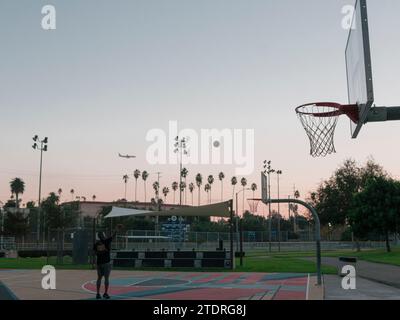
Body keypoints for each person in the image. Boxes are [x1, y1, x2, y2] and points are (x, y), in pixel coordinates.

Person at [93, 224, 123, 300]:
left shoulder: (96, 244)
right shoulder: (106, 241)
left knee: (99, 278)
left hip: (99, 263)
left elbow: (95, 253)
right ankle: (105, 293)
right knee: (106, 278)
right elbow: (113, 236)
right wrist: (116, 229)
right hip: (106, 263)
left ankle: (97, 293)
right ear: (103, 235)